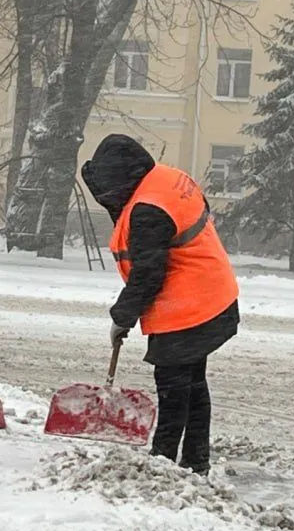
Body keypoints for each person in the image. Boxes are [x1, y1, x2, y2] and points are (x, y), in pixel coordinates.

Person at [80, 134, 239, 475]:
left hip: (188, 306)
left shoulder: (147, 210)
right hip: (213, 294)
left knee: (173, 387)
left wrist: (122, 317)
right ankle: (196, 461)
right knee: (193, 384)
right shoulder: (164, 179)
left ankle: (164, 461)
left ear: (119, 180)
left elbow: (149, 274)